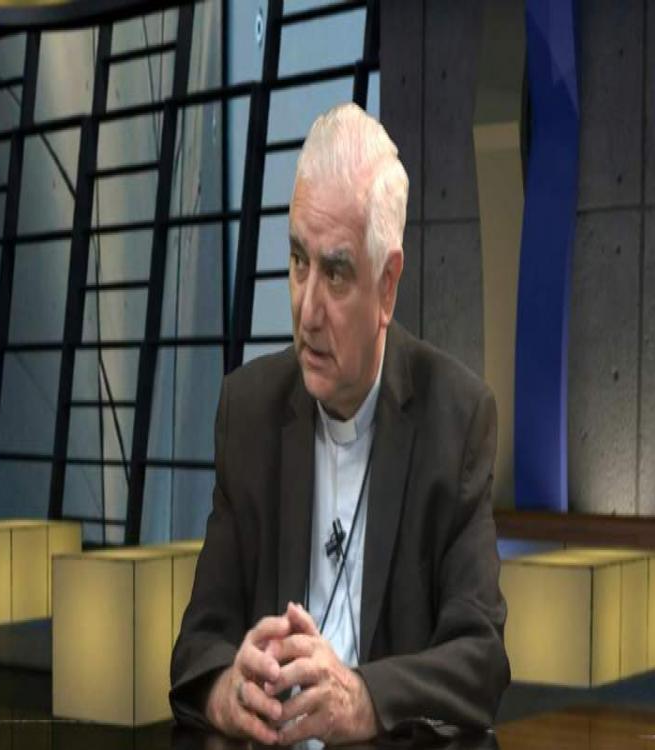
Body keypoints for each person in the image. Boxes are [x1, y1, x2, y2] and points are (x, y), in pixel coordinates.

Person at [170, 102, 510, 745]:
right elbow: (197, 645)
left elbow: (480, 661)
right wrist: (227, 689)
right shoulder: (248, 410)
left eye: (335, 272)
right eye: (299, 262)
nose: (308, 311)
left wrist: (365, 698)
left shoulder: (456, 418)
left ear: (388, 285)